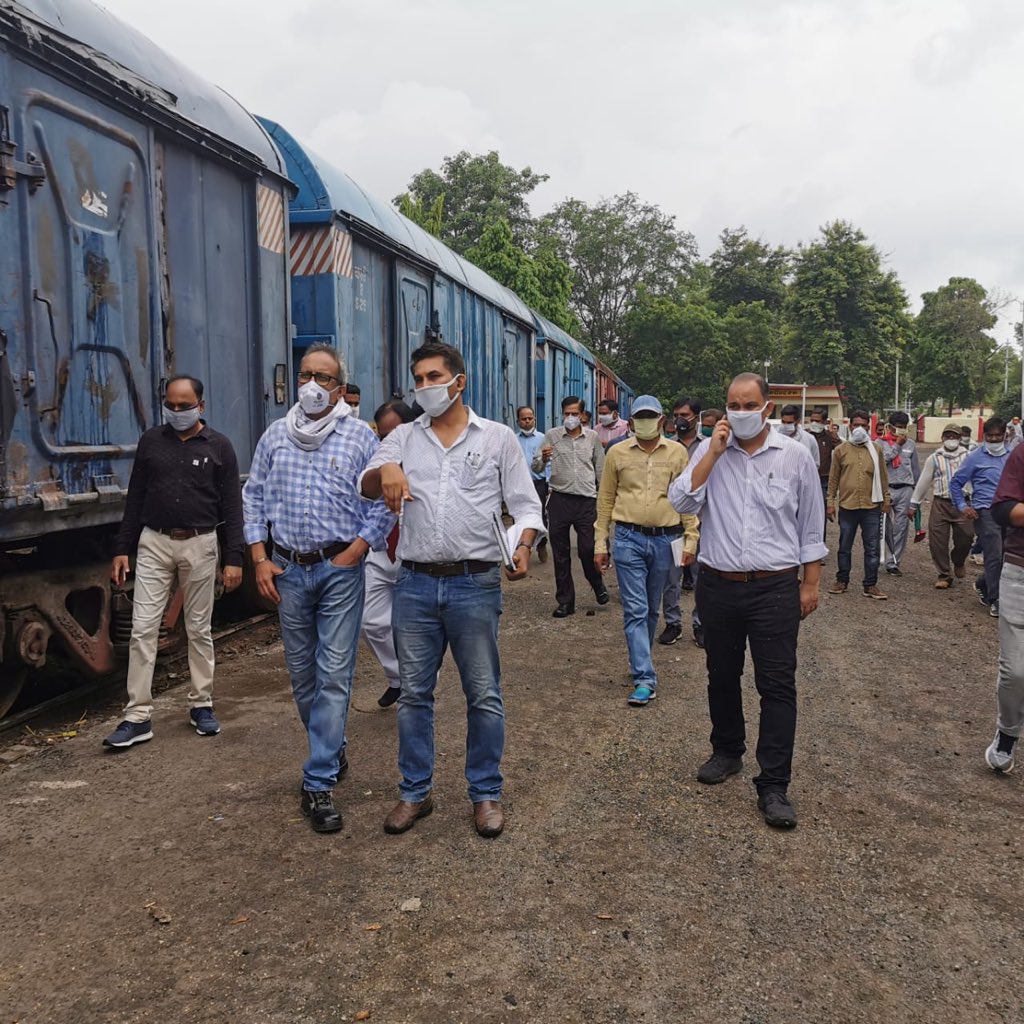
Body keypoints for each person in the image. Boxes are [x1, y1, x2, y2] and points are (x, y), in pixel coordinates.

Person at [360, 341, 543, 839]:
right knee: (415, 695)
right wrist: (387, 469)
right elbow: (367, 485)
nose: (425, 388)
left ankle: (485, 793)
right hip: (415, 583)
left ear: (459, 382)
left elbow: (526, 506)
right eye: (418, 379)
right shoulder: (403, 438)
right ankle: (415, 792)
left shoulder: (499, 439)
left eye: (433, 377)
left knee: (483, 694)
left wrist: (523, 543)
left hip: (475, 583)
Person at [243, 344, 394, 834]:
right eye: (306, 375)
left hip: (339, 571)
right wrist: (260, 558)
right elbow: (253, 497)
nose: (314, 385)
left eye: (325, 378)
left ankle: (318, 779)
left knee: (333, 673)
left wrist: (357, 549)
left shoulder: (360, 439)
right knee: (303, 676)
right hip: (287, 568)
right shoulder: (275, 437)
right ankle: (332, 746)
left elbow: (385, 503)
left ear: (340, 386)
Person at [668, 372, 826, 829]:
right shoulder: (708, 451)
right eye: (732, 405)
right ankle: (727, 750)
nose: (739, 412)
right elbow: (681, 501)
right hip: (718, 584)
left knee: (777, 685)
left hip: (774, 587)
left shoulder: (794, 457)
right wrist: (712, 454)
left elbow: (810, 526)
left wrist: (810, 584)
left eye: (748, 404)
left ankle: (774, 784)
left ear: (767, 408)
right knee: (721, 673)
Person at [103, 375, 244, 749]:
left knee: (198, 629)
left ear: (202, 405)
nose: (177, 411)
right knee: (142, 628)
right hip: (154, 541)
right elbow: (135, 498)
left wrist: (234, 558)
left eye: (185, 405)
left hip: (200, 543)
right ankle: (137, 716)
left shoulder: (220, 447)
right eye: (171, 405)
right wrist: (123, 547)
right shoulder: (152, 442)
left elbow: (232, 505)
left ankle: (202, 704)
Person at [594, 395, 699, 705]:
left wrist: (691, 539)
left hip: (667, 540)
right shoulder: (617, 453)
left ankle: (642, 659)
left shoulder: (678, 453)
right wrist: (601, 542)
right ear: (631, 418)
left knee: (653, 608)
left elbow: (688, 500)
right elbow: (605, 500)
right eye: (639, 416)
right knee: (636, 610)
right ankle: (644, 676)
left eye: (649, 415)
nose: (644, 421)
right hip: (629, 539)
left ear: (661, 418)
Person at [362, 400, 418, 709]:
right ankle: (398, 679)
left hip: (414, 557)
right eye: (383, 436)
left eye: (394, 432)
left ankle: (418, 686)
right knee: (371, 623)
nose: (389, 441)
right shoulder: (376, 465)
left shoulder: (426, 461)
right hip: (381, 553)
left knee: (411, 630)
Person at [534, 396, 607, 617]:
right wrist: (543, 459)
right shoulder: (552, 436)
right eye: (567, 413)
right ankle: (566, 601)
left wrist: (604, 500)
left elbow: (601, 469)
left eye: (575, 413)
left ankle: (597, 584)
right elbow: (536, 465)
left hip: (586, 500)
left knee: (587, 549)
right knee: (561, 553)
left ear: (583, 415)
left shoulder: (592, 438)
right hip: (559, 499)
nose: (571, 417)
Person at [984, 440, 1024, 771]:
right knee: (1016, 670)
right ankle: (1007, 733)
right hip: (1020, 571)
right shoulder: (1022, 451)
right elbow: (1002, 509)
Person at [826, 409, 892, 600]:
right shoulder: (840, 451)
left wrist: (886, 500)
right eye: (856, 425)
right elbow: (833, 479)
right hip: (848, 506)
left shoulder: (876, 449)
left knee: (872, 547)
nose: (860, 429)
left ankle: (870, 585)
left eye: (864, 425)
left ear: (868, 427)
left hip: (872, 507)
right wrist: (830, 502)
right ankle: (842, 580)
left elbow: (883, 477)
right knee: (845, 545)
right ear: (850, 426)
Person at [951, 416, 1010, 617]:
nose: (994, 440)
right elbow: (956, 483)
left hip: (1010, 511)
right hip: (985, 511)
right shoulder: (975, 457)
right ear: (984, 435)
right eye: (990, 436)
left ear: (1005, 435)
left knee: (1007, 555)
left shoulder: (1013, 456)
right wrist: (962, 505)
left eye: (998, 436)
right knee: (993, 553)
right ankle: (996, 599)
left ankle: (983, 583)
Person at [908, 422, 972, 588]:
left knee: (966, 536)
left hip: (963, 504)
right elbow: (923, 482)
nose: (951, 439)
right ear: (943, 438)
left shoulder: (969, 457)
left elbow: (976, 480)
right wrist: (914, 503)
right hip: (940, 503)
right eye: (948, 436)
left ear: (960, 438)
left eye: (954, 436)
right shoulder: (934, 458)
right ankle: (944, 574)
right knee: (937, 541)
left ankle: (958, 560)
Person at [879, 411, 921, 576]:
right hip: (886, 489)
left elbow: (916, 469)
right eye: (899, 427)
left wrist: (917, 497)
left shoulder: (910, 444)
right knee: (884, 526)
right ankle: (880, 557)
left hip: (906, 488)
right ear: (890, 427)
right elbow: (882, 462)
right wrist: (896, 445)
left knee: (901, 527)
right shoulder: (880, 443)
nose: (902, 430)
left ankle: (893, 562)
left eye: (904, 427)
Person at [516, 406, 550, 563]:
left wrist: (549, 482)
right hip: (520, 484)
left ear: (534, 419)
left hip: (539, 484)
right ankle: (523, 548)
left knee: (540, 515)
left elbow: (549, 462)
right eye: (524, 418)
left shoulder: (543, 439)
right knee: (520, 516)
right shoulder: (514, 440)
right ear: (518, 421)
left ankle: (541, 544)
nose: (527, 421)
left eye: (530, 418)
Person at [807, 407, 840, 543]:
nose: (814, 423)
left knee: (821, 515)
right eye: (812, 420)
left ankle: (819, 545)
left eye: (818, 421)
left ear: (825, 421)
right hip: (806, 480)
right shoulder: (805, 436)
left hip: (823, 481)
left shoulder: (829, 437)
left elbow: (842, 451)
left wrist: (835, 437)